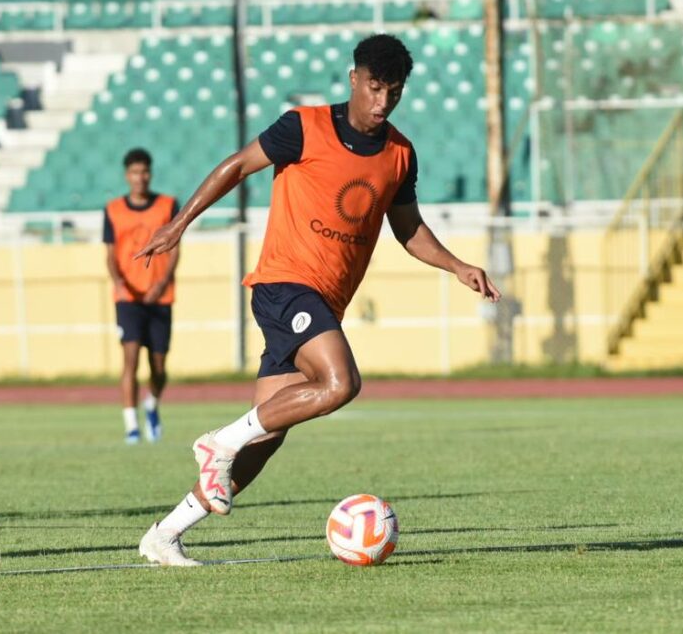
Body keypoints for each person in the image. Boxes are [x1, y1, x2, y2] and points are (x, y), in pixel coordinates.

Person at [134, 34, 501, 566]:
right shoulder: (302, 127)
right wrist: (180, 222)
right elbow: (236, 166)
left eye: (394, 92)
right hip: (284, 284)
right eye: (374, 87)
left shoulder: (400, 154)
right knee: (340, 383)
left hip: (323, 302)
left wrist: (457, 265)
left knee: (266, 437)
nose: (382, 102)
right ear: (354, 79)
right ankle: (219, 441)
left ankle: (165, 535)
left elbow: (408, 228)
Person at [104, 148, 180, 444]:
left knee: (158, 367)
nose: (140, 177)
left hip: (160, 297)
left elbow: (175, 248)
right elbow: (110, 255)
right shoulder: (113, 210)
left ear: (150, 173)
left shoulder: (167, 205)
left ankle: (152, 404)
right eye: (135, 172)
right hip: (129, 298)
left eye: (145, 171)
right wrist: (119, 283)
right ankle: (131, 426)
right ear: (127, 175)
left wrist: (162, 282)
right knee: (130, 360)